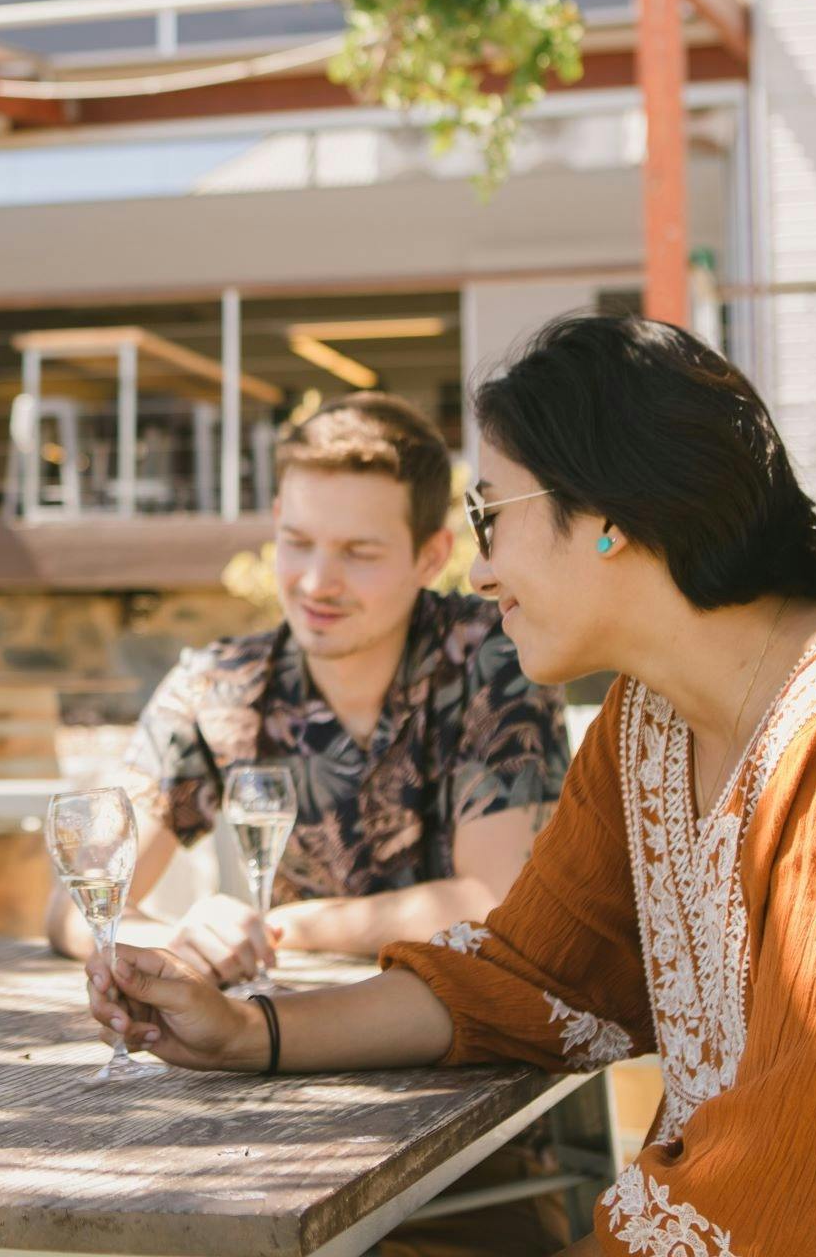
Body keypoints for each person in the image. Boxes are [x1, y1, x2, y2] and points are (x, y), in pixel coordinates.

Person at [86, 314, 816, 1256]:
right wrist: (249, 1033)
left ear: (606, 515)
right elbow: (528, 978)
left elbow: (799, 1187)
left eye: (489, 513)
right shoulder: (646, 723)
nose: (476, 567)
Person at [48, 393, 568, 982]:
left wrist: (279, 929)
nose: (318, 583)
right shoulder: (220, 685)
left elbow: (495, 901)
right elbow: (79, 906)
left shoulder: (497, 659)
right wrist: (187, 940)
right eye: (297, 542)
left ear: (431, 556)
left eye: (358, 552)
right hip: (289, 1039)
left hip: (493, 1045)